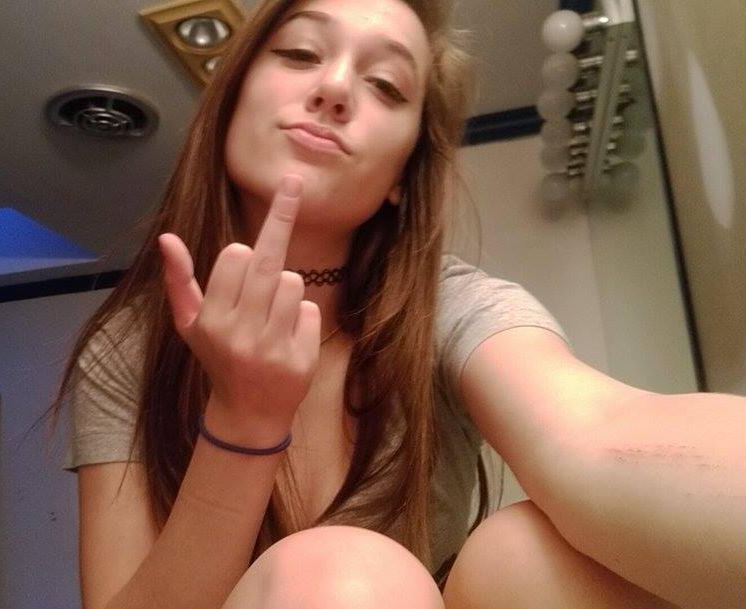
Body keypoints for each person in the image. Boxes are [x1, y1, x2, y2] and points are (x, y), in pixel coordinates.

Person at [47, 1, 682, 608]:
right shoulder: (131, 347)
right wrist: (243, 422)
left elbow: (596, 434)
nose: (335, 89)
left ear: (403, 175)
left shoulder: (451, 309)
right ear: (230, 101)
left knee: (524, 556)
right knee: (340, 573)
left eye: (386, 85)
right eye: (301, 53)